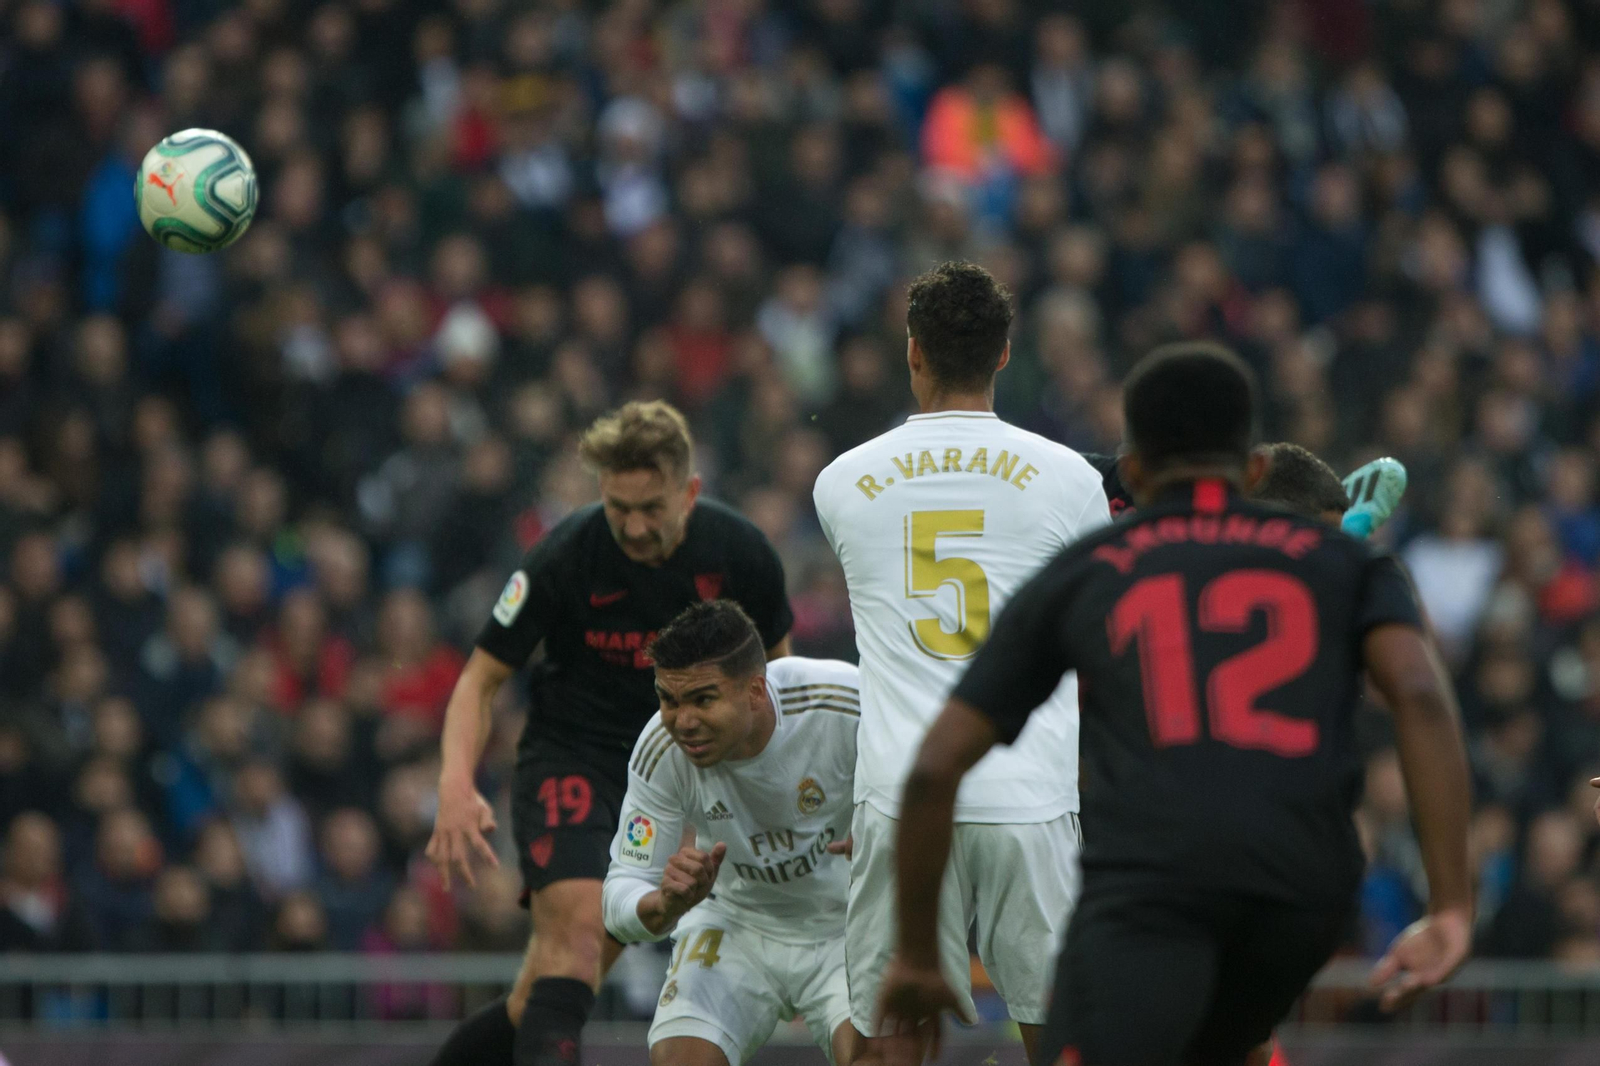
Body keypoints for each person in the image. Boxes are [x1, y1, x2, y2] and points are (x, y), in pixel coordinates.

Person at [877, 342, 1473, 1066]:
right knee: (1227, 1038)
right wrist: (1450, 906)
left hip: (1154, 886)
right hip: (1304, 892)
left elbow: (935, 766)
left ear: (1130, 472)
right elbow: (1417, 693)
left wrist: (913, 954)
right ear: (1253, 466)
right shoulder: (1340, 562)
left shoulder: (1088, 573)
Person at [426, 401, 794, 1066]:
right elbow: (479, 680)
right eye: (617, 505)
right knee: (573, 942)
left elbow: (781, 685)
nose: (632, 524)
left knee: (545, 993)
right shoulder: (565, 555)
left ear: (689, 490)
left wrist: (795, 796)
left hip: (680, 776)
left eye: (650, 506)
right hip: (574, 758)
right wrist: (455, 785)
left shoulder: (741, 555)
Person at [811, 261, 1109, 1062]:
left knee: (895, 1035)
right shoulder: (1071, 480)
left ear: (912, 352)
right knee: (1066, 1039)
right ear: (1008, 354)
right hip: (1029, 794)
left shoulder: (839, 482)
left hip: (903, 797)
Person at [601, 600, 858, 1066]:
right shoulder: (660, 751)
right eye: (669, 700)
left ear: (756, 690)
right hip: (736, 924)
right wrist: (661, 905)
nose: (683, 721)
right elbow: (619, 892)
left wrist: (894, 828)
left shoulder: (843, 703)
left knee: (879, 1056)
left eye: (703, 699)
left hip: (848, 924)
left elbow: (940, 783)